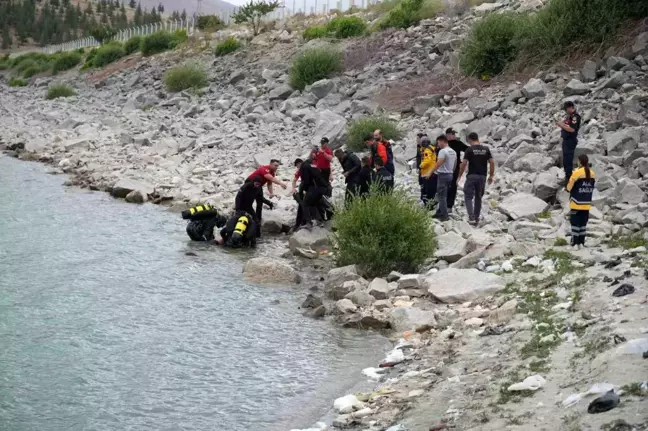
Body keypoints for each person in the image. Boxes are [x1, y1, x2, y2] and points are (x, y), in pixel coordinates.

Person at [457, 132, 495, 226]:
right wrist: (491, 176)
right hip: (482, 177)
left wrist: (459, 176)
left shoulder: (469, 150)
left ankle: (471, 217)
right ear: (477, 139)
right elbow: (492, 162)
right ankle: (477, 218)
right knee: (478, 197)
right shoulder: (486, 149)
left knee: (468, 196)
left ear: (470, 140)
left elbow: (464, 164)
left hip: (471, 176)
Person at [246, 159, 286, 229]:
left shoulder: (273, 172)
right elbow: (270, 178)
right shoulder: (264, 168)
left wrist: (271, 193)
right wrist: (281, 183)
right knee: (249, 200)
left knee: (260, 201)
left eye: (278, 166)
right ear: (270, 164)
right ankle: (248, 216)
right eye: (275, 165)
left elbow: (269, 183)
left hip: (259, 185)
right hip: (250, 183)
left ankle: (258, 220)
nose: (277, 167)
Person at [566, 154, 595, 249]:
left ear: (580, 162)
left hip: (576, 202)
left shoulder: (577, 173)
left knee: (575, 223)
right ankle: (582, 242)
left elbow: (569, 187)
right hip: (586, 203)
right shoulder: (592, 173)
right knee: (583, 223)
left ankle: (575, 243)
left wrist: (567, 188)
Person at [424, 135, 456, 221]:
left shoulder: (443, 151)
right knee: (441, 194)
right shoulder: (453, 151)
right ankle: (439, 211)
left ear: (442, 141)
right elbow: (454, 164)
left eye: (438, 142)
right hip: (450, 174)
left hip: (443, 175)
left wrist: (430, 172)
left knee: (442, 196)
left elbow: (439, 163)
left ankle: (444, 215)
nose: (438, 144)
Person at [297, 158, 329, 228]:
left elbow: (306, 180)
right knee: (314, 204)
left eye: (297, 166)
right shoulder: (312, 165)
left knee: (305, 203)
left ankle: (309, 223)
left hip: (314, 188)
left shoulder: (304, 166)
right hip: (322, 187)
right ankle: (320, 222)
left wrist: (303, 190)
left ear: (299, 163)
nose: (298, 168)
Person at [557, 101, 581, 183]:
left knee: (568, 161)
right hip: (566, 140)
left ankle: (570, 180)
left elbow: (572, 129)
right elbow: (567, 125)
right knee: (565, 161)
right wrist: (562, 123)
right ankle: (567, 177)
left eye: (566, 109)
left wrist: (561, 125)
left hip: (570, 141)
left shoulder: (575, 117)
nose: (565, 111)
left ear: (571, 107)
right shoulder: (569, 117)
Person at [445, 128, 468, 213]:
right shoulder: (444, 143)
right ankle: (442, 204)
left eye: (455, 134)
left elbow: (468, 150)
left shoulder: (458, 143)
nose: (454, 135)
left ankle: (449, 205)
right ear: (448, 135)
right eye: (453, 134)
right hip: (444, 168)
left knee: (453, 186)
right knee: (444, 186)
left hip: (455, 168)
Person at [419, 136, 437, 208]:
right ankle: (430, 203)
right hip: (432, 172)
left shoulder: (427, 150)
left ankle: (429, 205)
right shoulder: (432, 149)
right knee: (431, 190)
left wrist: (421, 166)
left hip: (427, 172)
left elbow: (427, 160)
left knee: (427, 190)